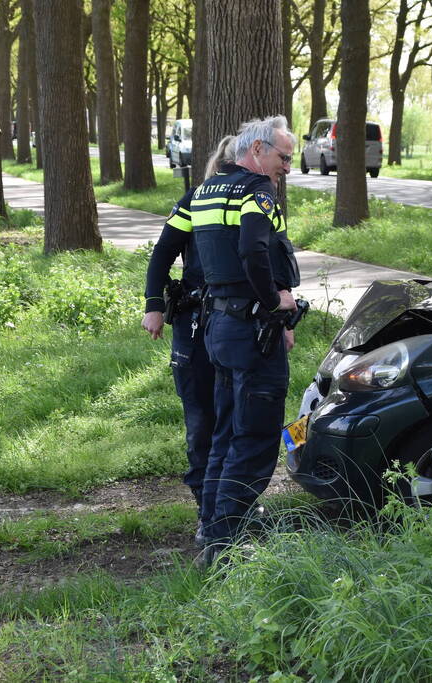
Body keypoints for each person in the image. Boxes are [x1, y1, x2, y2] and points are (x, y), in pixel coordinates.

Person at [191, 116, 300, 566]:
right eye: (283, 157)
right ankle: (226, 546)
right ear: (257, 151)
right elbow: (254, 250)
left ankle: (212, 529)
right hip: (253, 332)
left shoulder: (205, 191)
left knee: (224, 435)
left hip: (220, 328)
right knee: (253, 440)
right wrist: (274, 300)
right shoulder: (258, 191)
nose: (287, 168)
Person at [141, 136, 237, 547]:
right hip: (195, 324)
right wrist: (154, 305)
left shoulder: (255, 201)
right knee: (201, 420)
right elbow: (162, 254)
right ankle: (206, 510)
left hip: (238, 327)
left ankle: (232, 503)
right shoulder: (195, 201)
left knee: (237, 418)